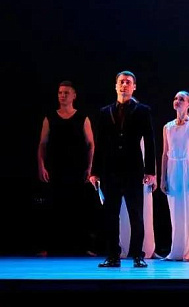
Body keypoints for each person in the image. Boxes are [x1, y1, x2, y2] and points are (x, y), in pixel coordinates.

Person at [90, 71, 156, 268]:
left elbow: (150, 141)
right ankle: (113, 255)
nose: (124, 85)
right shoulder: (105, 112)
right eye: (121, 82)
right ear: (115, 86)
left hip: (133, 169)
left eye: (128, 82)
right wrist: (95, 171)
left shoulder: (142, 110)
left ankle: (138, 255)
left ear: (134, 87)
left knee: (136, 214)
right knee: (111, 214)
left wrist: (150, 171)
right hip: (110, 170)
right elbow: (100, 143)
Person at [36, 81, 95, 256]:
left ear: (74, 95)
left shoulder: (82, 117)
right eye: (60, 93)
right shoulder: (50, 117)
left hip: (77, 169)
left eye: (66, 93)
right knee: (53, 207)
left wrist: (90, 167)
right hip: (55, 168)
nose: (62, 95)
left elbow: (91, 144)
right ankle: (49, 246)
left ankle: (83, 246)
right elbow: (42, 144)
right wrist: (41, 165)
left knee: (78, 208)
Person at [161, 91, 189, 261]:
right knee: (175, 211)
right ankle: (177, 251)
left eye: (182, 99)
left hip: (188, 168)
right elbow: (165, 153)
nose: (177, 101)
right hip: (173, 169)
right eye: (176, 98)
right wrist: (163, 178)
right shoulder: (167, 127)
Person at [118, 136, 157, 259]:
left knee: (145, 212)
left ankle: (146, 248)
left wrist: (153, 174)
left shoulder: (144, 131)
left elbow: (150, 151)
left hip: (143, 175)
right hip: (125, 173)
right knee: (124, 212)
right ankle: (124, 247)